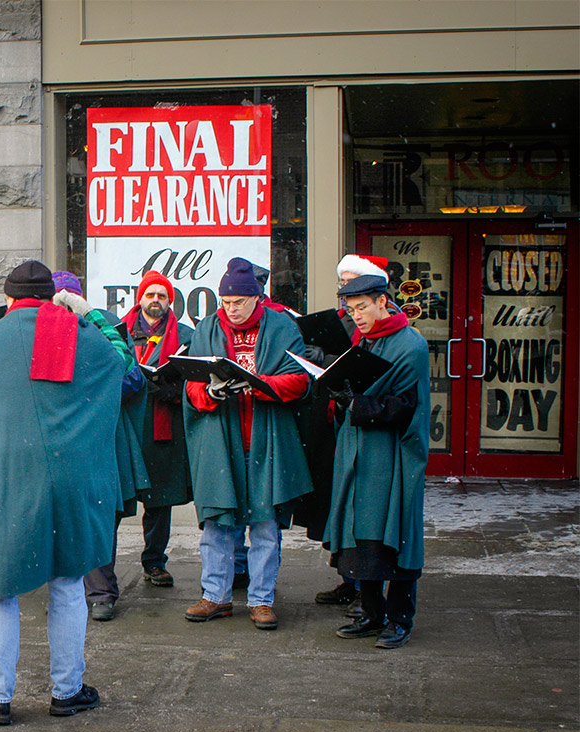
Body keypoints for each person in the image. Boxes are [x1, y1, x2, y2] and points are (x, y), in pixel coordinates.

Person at [0, 260, 123, 725]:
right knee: (68, 583)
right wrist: (88, 315)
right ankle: (67, 691)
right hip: (67, 477)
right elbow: (120, 363)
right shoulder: (75, 333)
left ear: (7, 300)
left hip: (6, 477)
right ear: (53, 297)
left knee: (0, 590)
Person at [182, 258, 312, 630]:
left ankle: (261, 600)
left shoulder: (282, 327)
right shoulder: (207, 328)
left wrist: (259, 384)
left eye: (238, 301)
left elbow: (300, 379)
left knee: (266, 524)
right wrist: (210, 390)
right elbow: (190, 382)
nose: (231, 309)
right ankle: (216, 596)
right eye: (225, 301)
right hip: (222, 442)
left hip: (265, 441)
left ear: (256, 298)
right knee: (218, 523)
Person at [323, 272, 429, 649]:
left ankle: (400, 619)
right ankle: (371, 613)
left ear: (383, 301)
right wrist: (340, 394)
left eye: (363, 307)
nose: (358, 317)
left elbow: (406, 406)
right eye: (352, 310)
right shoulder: (363, 341)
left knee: (395, 534)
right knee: (361, 533)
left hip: (394, 455)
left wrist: (356, 403)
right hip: (359, 453)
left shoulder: (410, 345)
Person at [51, 271, 147, 622]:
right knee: (67, 517)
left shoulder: (105, 326)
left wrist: (97, 396)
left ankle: (101, 592)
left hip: (106, 437)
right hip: (62, 439)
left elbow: (132, 376)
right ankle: (75, 589)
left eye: (69, 299)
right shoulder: (43, 331)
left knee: (103, 516)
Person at [312, 255, 391, 614]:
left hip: (372, 431)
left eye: (352, 281)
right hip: (342, 421)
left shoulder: (386, 331)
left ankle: (367, 590)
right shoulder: (347, 322)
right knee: (341, 506)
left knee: (366, 513)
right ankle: (349, 579)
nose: (345, 289)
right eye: (342, 282)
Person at [121, 270, 194, 588]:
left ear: (169, 301)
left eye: (161, 296)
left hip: (162, 427)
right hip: (125, 426)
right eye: (150, 295)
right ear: (140, 299)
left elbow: (195, 378)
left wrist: (172, 390)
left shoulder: (187, 335)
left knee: (159, 502)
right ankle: (101, 570)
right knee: (115, 501)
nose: (155, 301)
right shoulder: (117, 331)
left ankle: (154, 562)